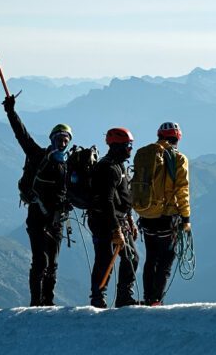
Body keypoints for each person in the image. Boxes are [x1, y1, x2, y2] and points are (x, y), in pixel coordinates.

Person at [2, 95, 72, 306]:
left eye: (66, 139)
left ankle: (48, 303)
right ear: (51, 139)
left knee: (52, 264)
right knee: (41, 261)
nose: (63, 141)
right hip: (38, 217)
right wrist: (11, 112)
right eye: (60, 137)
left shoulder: (67, 167)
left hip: (56, 219)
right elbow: (21, 135)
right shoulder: (37, 155)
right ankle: (36, 303)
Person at [139, 122, 191, 306]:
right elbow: (182, 190)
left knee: (151, 258)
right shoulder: (178, 158)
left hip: (146, 216)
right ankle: (156, 299)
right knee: (166, 260)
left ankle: (147, 297)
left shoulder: (148, 155)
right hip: (167, 218)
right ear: (177, 138)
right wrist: (186, 218)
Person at [88, 127, 139, 308]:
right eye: (128, 145)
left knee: (131, 257)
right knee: (105, 259)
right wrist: (116, 228)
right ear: (117, 146)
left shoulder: (118, 165)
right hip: (105, 222)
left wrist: (130, 220)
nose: (130, 149)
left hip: (117, 220)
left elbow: (123, 197)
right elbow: (106, 201)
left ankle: (123, 297)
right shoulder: (108, 168)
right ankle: (98, 298)